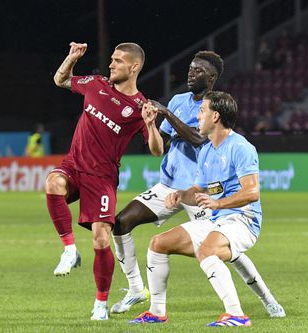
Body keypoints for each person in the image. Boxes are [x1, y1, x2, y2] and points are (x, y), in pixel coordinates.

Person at [112, 52, 284, 319]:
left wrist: (166, 114)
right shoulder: (184, 107)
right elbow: (161, 151)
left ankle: (253, 306)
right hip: (179, 188)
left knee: (221, 252)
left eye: (198, 70)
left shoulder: (236, 144)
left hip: (231, 213)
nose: (191, 73)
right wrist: (152, 128)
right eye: (190, 68)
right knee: (143, 235)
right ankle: (152, 307)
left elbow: (249, 190)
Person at [130, 91, 270, 327]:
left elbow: (252, 192)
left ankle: (236, 314)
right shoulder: (206, 150)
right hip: (216, 221)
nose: (198, 115)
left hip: (242, 221)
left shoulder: (241, 147)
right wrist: (180, 195)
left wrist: (218, 203)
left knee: (207, 250)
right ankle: (156, 312)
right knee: (158, 244)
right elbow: (198, 190)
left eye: (202, 111)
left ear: (215, 117)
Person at [46, 41, 163, 321]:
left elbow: (157, 150)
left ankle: (100, 304)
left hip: (102, 179)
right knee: (52, 182)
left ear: (134, 67)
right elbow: (60, 79)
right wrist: (71, 58)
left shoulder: (139, 107)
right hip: (74, 166)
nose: (111, 64)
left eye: (118, 61)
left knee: (100, 240)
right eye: (111, 59)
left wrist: (149, 124)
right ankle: (70, 250)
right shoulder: (95, 84)